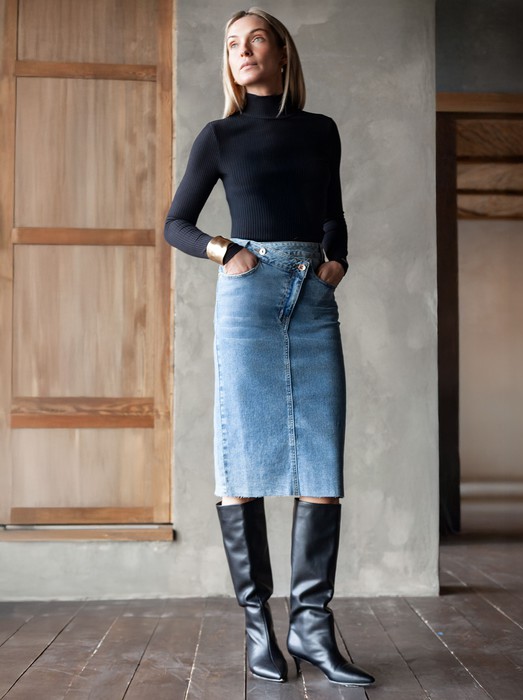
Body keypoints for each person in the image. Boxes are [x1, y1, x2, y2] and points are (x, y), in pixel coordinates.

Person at [164, 7, 374, 688]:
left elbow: (332, 213)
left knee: (321, 461)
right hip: (247, 300)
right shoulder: (219, 136)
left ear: (282, 52)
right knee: (240, 460)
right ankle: (259, 629)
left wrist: (336, 261)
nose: (243, 50)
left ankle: (311, 627)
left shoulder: (321, 131)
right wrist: (223, 250)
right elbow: (176, 224)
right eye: (232, 44)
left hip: (311, 298)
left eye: (255, 38)